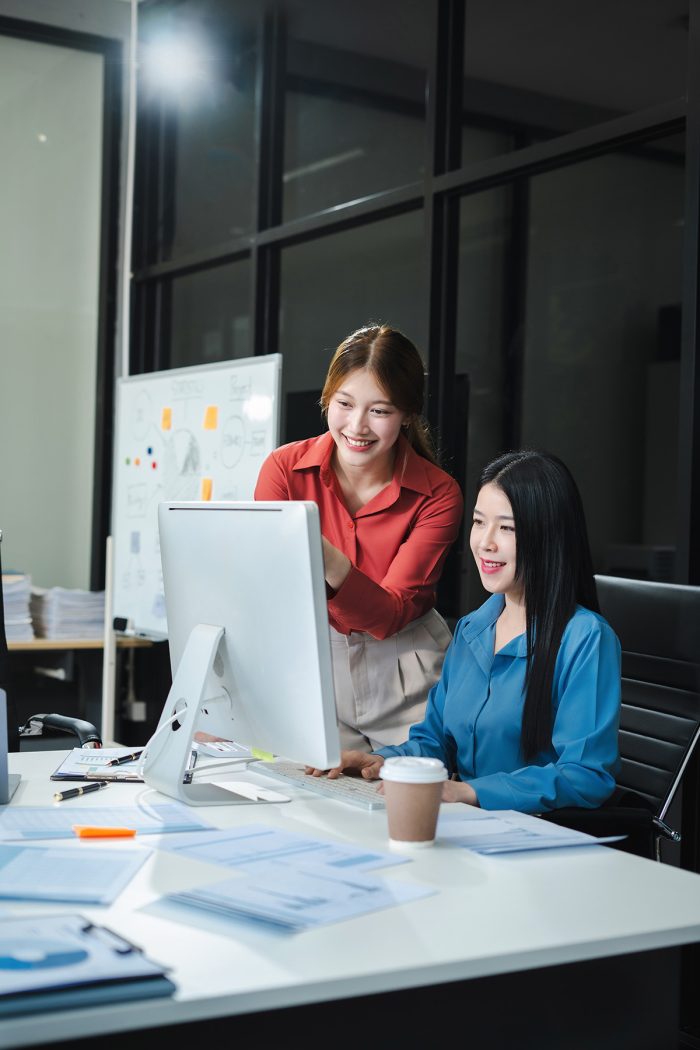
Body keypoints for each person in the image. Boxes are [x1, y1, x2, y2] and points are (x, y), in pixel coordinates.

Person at [308, 449, 621, 814]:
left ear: (548, 535)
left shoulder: (585, 639)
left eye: (507, 528)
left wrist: (471, 792)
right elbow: (434, 741)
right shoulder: (474, 628)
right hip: (467, 825)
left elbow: (584, 775)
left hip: (537, 838)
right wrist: (377, 760)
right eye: (478, 522)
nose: (485, 542)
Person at [254, 323, 464, 750]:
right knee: (317, 804)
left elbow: (389, 615)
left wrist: (322, 555)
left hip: (409, 670)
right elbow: (269, 589)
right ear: (327, 400)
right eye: (344, 404)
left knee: (409, 807)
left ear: (407, 414)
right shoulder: (283, 469)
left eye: (380, 411)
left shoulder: (439, 493)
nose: (357, 425)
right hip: (315, 663)